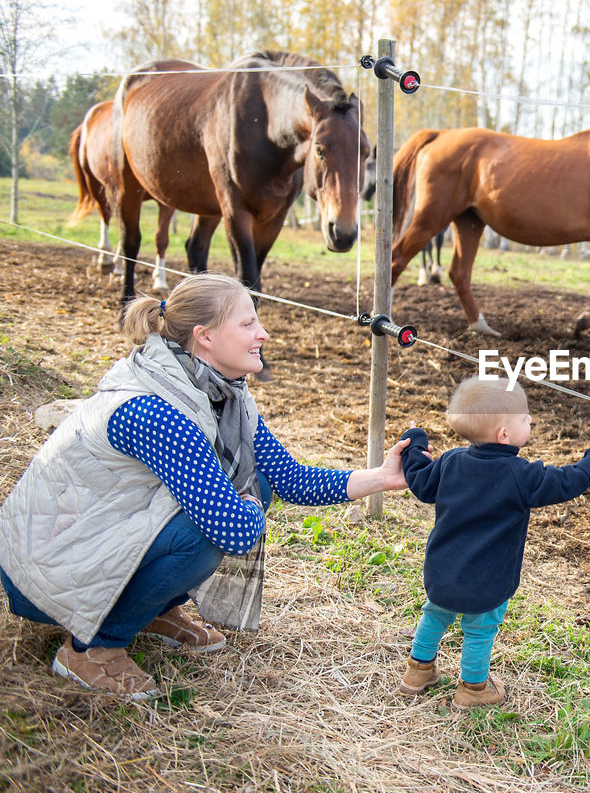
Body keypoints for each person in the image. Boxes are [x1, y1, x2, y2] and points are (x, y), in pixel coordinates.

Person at [0, 272, 410, 700]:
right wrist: (246, 504)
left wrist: (382, 476)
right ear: (206, 337)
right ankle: (91, 651)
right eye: (248, 323)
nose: (263, 333)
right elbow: (233, 530)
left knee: (256, 483)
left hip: (92, 543)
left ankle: (154, 611)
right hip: (44, 571)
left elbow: (288, 477)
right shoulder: (157, 409)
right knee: (206, 533)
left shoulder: (221, 393)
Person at [397, 375, 590, 708]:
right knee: (479, 630)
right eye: (525, 418)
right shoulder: (522, 474)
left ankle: (417, 671)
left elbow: (420, 480)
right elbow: (566, 482)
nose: (531, 420)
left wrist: (414, 442)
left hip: (443, 571)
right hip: (489, 579)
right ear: (504, 434)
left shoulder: (450, 461)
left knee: (434, 615)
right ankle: (473, 689)